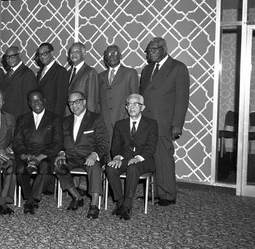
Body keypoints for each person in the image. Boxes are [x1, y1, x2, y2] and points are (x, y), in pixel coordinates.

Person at [140, 37, 190, 206]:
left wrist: (177, 125)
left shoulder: (177, 68)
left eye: (153, 50)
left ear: (164, 49)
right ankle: (152, 192)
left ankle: (168, 194)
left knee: (164, 159)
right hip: (147, 122)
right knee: (150, 158)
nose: (150, 53)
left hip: (164, 123)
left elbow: (182, 99)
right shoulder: (147, 69)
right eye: (148, 50)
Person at [54, 91, 109, 220]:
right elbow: (60, 142)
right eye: (71, 103)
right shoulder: (66, 121)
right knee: (59, 166)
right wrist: (61, 153)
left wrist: (95, 155)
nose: (74, 105)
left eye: (77, 102)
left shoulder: (95, 118)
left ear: (84, 102)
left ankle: (94, 205)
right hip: (71, 157)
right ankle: (77, 197)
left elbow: (103, 142)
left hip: (89, 156)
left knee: (95, 167)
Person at [105, 94, 158, 220]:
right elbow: (116, 145)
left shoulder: (151, 124)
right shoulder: (120, 124)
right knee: (110, 169)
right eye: (129, 104)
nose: (132, 107)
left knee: (133, 168)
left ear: (143, 107)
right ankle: (119, 202)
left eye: (136, 104)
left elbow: (151, 147)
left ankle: (127, 204)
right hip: (125, 158)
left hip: (144, 160)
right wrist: (117, 157)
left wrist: (139, 157)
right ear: (126, 107)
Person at [13, 89, 62, 214]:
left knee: (46, 166)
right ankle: (30, 197)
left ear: (44, 100)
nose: (37, 103)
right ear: (29, 104)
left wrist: (39, 157)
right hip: (27, 155)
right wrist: (25, 156)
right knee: (19, 170)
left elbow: (57, 143)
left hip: (45, 155)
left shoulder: (55, 118)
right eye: (33, 101)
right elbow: (17, 141)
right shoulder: (22, 119)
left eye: (39, 99)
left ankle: (32, 199)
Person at [98, 44, 139, 143]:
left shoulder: (130, 73)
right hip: (105, 122)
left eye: (115, 53)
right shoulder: (99, 76)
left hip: (124, 119)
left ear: (120, 56)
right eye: (108, 53)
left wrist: (132, 120)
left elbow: (135, 98)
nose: (111, 55)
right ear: (105, 58)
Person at [1, 46, 37, 119]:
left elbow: (28, 102)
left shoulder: (27, 74)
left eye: (12, 56)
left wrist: (24, 122)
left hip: (19, 118)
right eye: (7, 57)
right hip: (6, 118)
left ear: (20, 56)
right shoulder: (8, 73)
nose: (9, 60)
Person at [36, 43, 69, 117]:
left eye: (44, 53)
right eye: (40, 54)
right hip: (41, 115)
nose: (42, 57)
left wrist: (56, 119)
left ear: (51, 53)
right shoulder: (40, 72)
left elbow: (61, 100)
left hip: (53, 116)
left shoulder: (60, 71)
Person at [66, 42, 99, 114]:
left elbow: (92, 101)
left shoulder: (90, 72)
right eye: (71, 52)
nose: (73, 54)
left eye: (77, 51)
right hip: (68, 118)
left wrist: (89, 120)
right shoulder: (67, 73)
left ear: (83, 54)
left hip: (84, 118)